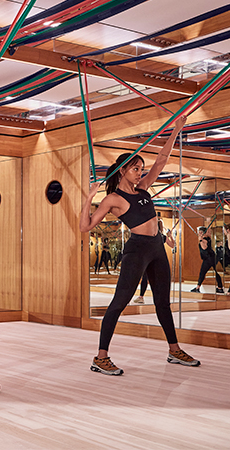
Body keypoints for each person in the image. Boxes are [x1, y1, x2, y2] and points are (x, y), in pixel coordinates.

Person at [80, 115, 200, 375]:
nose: (141, 174)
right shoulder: (114, 198)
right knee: (119, 302)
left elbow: (161, 161)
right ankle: (101, 357)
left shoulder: (144, 189)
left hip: (157, 249)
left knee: (163, 303)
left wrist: (176, 131)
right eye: (136, 169)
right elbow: (85, 226)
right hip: (137, 250)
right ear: (122, 170)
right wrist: (89, 197)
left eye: (141, 170)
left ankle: (174, 350)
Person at [134, 219, 175, 304]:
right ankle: (159, 298)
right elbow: (172, 245)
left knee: (145, 277)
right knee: (158, 279)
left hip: (149, 258)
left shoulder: (150, 236)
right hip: (159, 258)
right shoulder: (163, 237)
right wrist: (170, 236)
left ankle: (141, 296)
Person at [190, 226, 224, 294]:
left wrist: (200, 239)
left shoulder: (205, 239)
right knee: (216, 272)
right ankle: (220, 287)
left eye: (199, 232)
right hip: (212, 257)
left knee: (202, 272)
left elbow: (204, 247)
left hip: (208, 259)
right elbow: (209, 231)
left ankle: (197, 288)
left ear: (201, 232)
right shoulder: (208, 238)